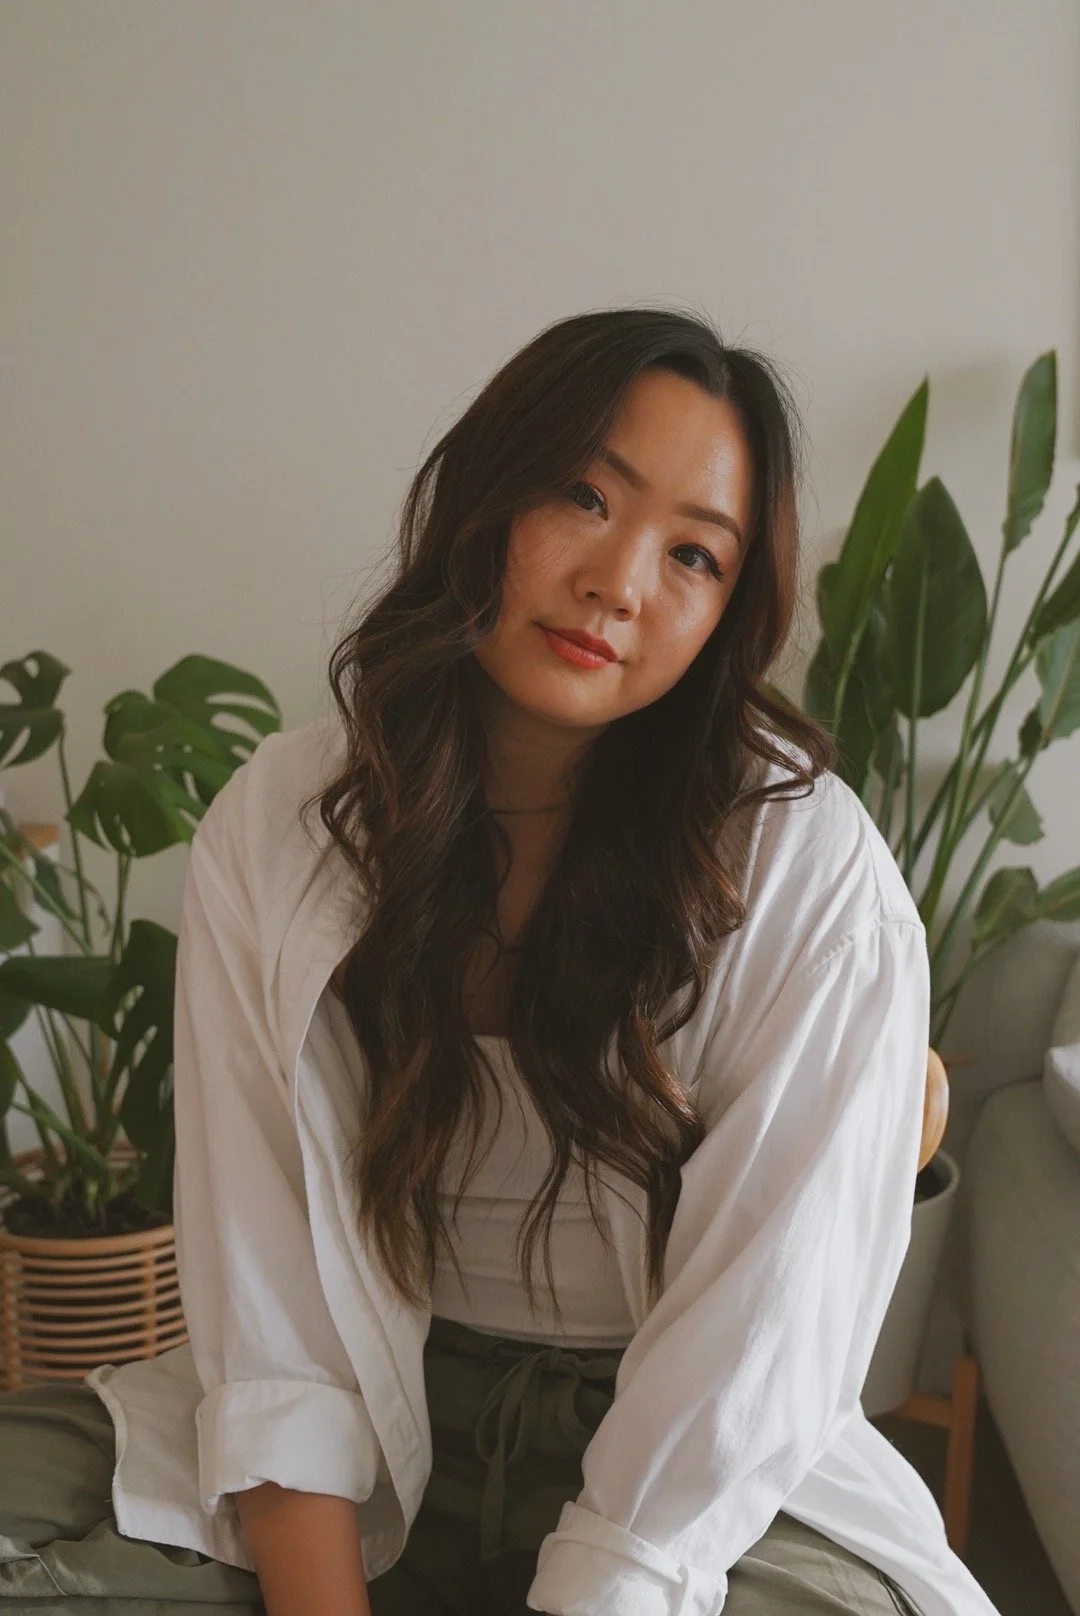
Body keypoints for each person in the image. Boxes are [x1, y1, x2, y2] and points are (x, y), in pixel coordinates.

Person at [0, 307, 1002, 1616]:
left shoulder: (810, 879)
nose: (622, 582)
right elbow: (277, 1301)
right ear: (485, 490)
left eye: (693, 556)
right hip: (369, 1396)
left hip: (678, 1458)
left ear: (725, 616)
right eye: (585, 494)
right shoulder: (288, 823)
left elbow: (744, 1373)